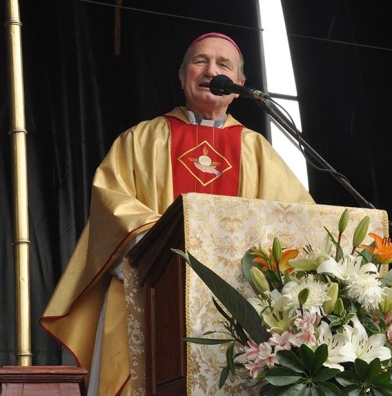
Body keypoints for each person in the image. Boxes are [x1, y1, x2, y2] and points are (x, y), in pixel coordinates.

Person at [40, 32, 313, 395]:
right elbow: (112, 204)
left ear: (239, 86)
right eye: (200, 61)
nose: (210, 69)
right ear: (182, 75)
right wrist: (168, 248)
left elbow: (296, 223)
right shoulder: (141, 140)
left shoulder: (257, 150)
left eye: (223, 65)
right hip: (149, 300)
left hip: (238, 312)